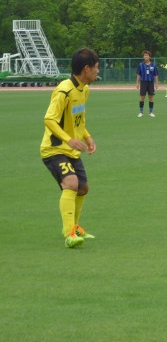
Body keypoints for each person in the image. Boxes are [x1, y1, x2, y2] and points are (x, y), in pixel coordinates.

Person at [40, 48, 100, 248]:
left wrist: (87, 137)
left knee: (83, 188)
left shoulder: (85, 89)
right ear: (86, 68)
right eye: (96, 67)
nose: (97, 71)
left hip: (71, 148)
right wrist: (68, 139)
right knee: (71, 183)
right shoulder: (64, 90)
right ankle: (69, 233)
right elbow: (49, 119)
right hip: (55, 149)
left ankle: (74, 227)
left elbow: (78, 121)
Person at [136, 49, 159, 117]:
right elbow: (138, 74)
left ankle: (151, 112)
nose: (146, 56)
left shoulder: (153, 65)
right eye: (144, 55)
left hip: (150, 82)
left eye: (147, 55)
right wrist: (137, 83)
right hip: (143, 82)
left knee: (151, 97)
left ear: (149, 57)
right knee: (142, 97)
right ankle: (141, 112)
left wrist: (157, 83)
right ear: (143, 57)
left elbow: (156, 75)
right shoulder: (141, 65)